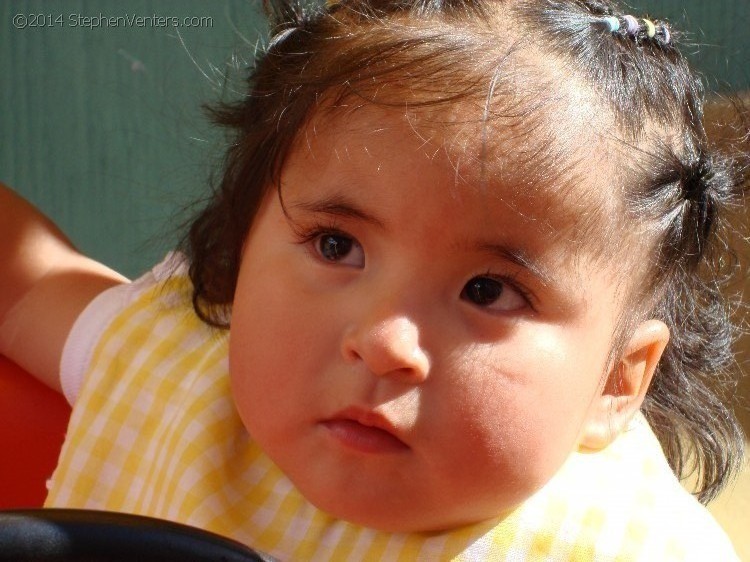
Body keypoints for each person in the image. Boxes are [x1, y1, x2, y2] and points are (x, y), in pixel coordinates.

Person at [1, 0, 746, 559]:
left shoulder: (628, 545)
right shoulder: (176, 375)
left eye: (487, 291)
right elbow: (28, 283)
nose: (384, 339)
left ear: (617, 381)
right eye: (335, 244)